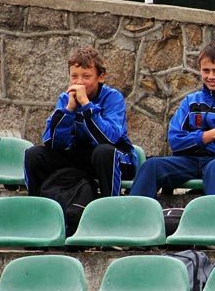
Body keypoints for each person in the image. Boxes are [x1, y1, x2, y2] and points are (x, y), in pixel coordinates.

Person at [129, 41, 215, 197]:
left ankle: (214, 214)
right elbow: (175, 141)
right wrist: (211, 135)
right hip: (189, 162)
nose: (211, 76)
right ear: (199, 70)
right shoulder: (190, 102)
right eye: (206, 70)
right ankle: (133, 212)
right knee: (151, 166)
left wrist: (192, 143)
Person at [24, 46, 136, 197]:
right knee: (34, 154)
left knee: (103, 152)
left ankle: (110, 206)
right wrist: (69, 110)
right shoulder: (65, 99)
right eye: (74, 76)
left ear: (100, 77)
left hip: (116, 158)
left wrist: (86, 106)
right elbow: (52, 142)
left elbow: (108, 139)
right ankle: (39, 205)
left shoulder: (113, 98)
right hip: (80, 157)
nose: (79, 82)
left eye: (86, 76)